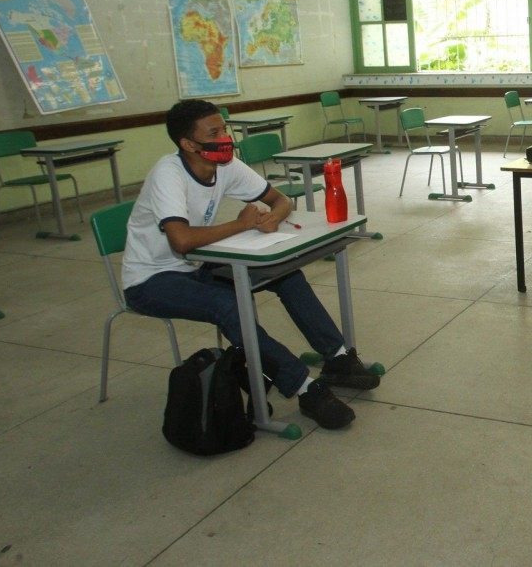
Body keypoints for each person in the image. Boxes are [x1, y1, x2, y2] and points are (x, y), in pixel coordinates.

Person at [122, 99, 381, 430]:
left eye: (224, 129)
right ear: (188, 144)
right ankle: (304, 387)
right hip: (151, 280)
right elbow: (181, 240)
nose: (225, 138)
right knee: (228, 305)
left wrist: (273, 217)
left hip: (197, 266)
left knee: (286, 274)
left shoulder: (224, 164)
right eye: (214, 133)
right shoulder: (168, 174)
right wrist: (242, 224)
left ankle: (338, 358)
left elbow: (281, 199)